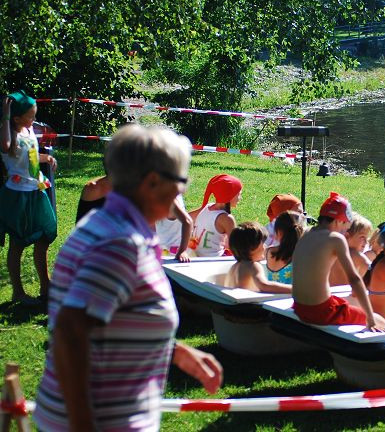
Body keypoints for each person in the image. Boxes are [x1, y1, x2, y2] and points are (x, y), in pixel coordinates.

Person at [33, 125, 223, 431]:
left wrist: (174, 351)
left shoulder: (113, 225)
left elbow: (113, 317)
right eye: (181, 181)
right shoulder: (120, 244)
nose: (183, 191)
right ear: (152, 183)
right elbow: (71, 332)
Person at [291, 192, 385, 330]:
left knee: (342, 303)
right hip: (321, 311)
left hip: (299, 307)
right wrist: (370, 318)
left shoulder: (306, 233)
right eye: (345, 227)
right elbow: (354, 279)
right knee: (381, 321)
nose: (345, 231)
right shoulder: (335, 238)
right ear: (337, 221)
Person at [0, 90, 57, 305]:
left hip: (36, 190)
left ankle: (46, 285)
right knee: (18, 243)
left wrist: (46, 157)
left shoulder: (28, 130)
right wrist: (5, 113)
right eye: (31, 116)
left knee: (45, 236)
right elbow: (6, 147)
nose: (34, 119)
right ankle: (18, 293)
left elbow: (29, 156)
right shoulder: (8, 134)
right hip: (18, 195)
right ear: (15, 118)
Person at [225, 221, 292, 293]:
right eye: (262, 243)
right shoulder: (252, 266)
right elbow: (264, 285)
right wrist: (295, 290)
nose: (265, 246)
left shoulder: (234, 267)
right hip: (246, 303)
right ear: (252, 248)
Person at [190, 174, 242, 257]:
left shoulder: (207, 207)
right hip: (213, 262)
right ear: (229, 195)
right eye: (239, 194)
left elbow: (187, 217)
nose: (240, 198)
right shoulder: (226, 219)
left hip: (194, 256)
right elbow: (235, 247)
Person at [330, 214, 373, 285]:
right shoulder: (354, 254)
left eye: (367, 238)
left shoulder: (331, 250)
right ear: (347, 236)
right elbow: (372, 270)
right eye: (362, 237)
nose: (366, 242)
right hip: (342, 294)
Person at [266, 210, 304, 285]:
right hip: (293, 295)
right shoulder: (301, 255)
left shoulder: (268, 251)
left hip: (271, 295)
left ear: (279, 232)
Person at [155, 193, 193, 262]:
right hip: (164, 249)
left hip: (173, 256)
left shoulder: (170, 201)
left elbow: (187, 222)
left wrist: (182, 251)